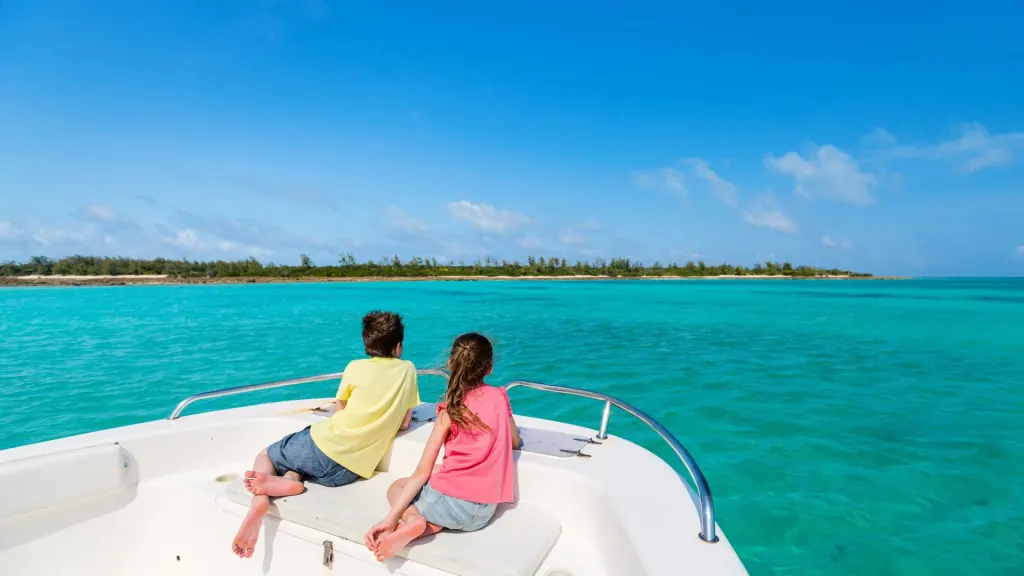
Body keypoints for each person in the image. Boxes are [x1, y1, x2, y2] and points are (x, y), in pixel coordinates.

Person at [231, 310, 420, 559]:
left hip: (325, 445)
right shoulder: (408, 370)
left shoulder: (355, 367)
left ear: (367, 344)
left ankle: (259, 500)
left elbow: (338, 410)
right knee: (298, 466)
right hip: (347, 472)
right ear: (398, 347)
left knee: (266, 455)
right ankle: (291, 480)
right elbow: (405, 423)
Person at [364, 332, 521, 562]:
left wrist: (389, 519)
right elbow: (514, 440)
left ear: (451, 365)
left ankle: (412, 521)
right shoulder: (500, 397)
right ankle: (422, 528)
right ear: (489, 369)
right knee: (440, 471)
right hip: (484, 513)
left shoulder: (449, 411)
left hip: (452, 506)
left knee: (396, 487)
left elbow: (421, 472)